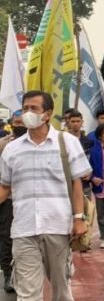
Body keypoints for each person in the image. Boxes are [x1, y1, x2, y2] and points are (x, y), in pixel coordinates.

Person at [0, 91, 91, 300]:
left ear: (48, 114)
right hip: (23, 230)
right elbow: (4, 187)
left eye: (34, 108)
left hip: (58, 227)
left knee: (61, 291)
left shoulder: (67, 143)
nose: (28, 113)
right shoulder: (12, 150)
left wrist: (79, 219)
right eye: (25, 109)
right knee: (27, 293)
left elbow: (77, 183)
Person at [0, 111, 25, 293]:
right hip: (8, 199)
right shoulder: (3, 145)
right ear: (11, 124)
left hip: (30, 199)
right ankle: (9, 274)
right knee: (7, 237)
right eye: (16, 122)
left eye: (22, 122)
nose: (20, 125)